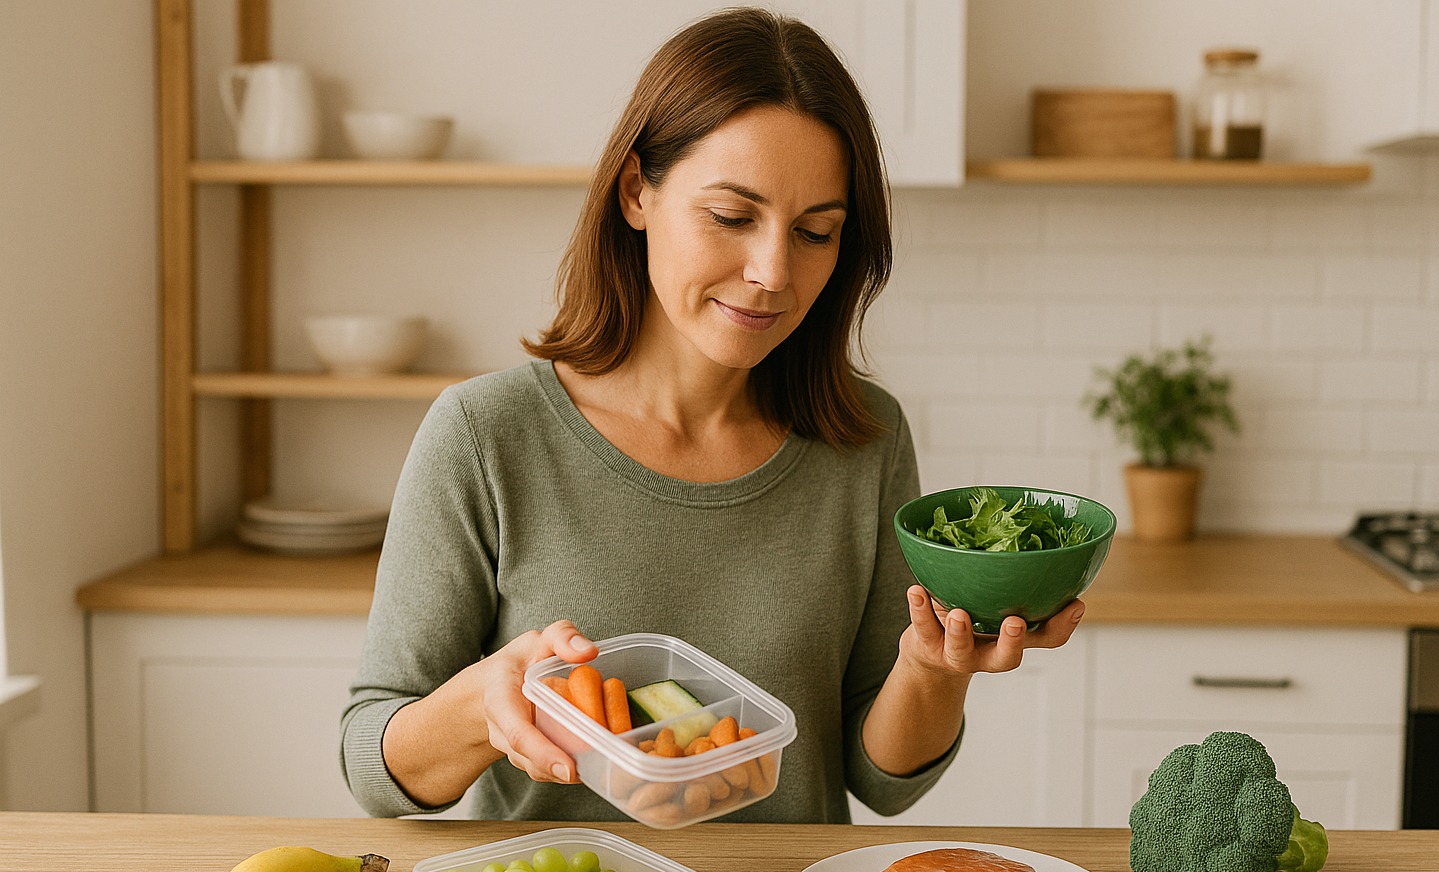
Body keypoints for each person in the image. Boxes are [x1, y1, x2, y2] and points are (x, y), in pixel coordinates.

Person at [340, 6, 1084, 823]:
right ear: (636, 193)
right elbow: (373, 763)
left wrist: (933, 669)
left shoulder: (864, 441)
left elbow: (883, 781)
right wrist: (484, 704)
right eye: (732, 217)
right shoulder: (485, 435)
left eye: (816, 232)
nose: (772, 271)